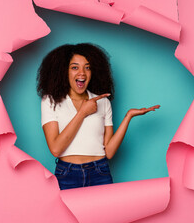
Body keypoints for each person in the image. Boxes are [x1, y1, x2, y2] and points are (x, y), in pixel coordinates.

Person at [37, 43, 160, 190]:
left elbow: (109, 151)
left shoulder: (103, 102)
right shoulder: (50, 101)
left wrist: (128, 117)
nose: (82, 73)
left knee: (108, 214)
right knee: (65, 214)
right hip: (67, 174)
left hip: (100, 172)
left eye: (87, 67)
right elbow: (56, 149)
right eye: (75, 67)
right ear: (64, 71)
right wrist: (82, 113)